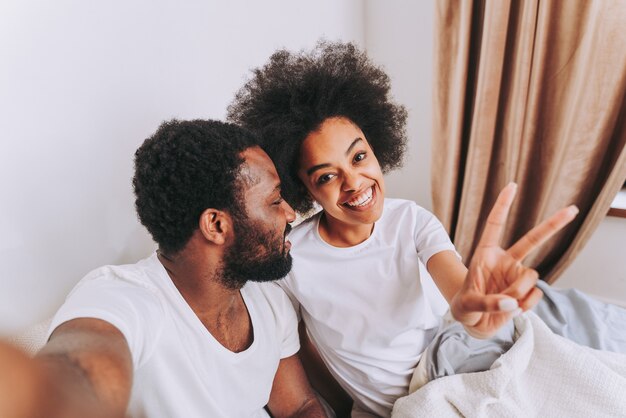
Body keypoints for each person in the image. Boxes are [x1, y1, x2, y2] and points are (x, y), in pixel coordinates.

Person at [227, 41, 581, 417]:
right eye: (328, 176)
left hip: (452, 362)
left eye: (359, 157)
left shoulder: (411, 220)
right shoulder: (291, 258)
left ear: (377, 149)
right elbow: (292, 350)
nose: (355, 183)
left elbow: (459, 289)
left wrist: (472, 311)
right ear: (304, 187)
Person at [0, 119, 328, 418]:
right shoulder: (122, 298)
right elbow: (78, 374)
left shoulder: (268, 299)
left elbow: (299, 406)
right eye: (274, 200)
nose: (289, 214)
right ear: (216, 225)